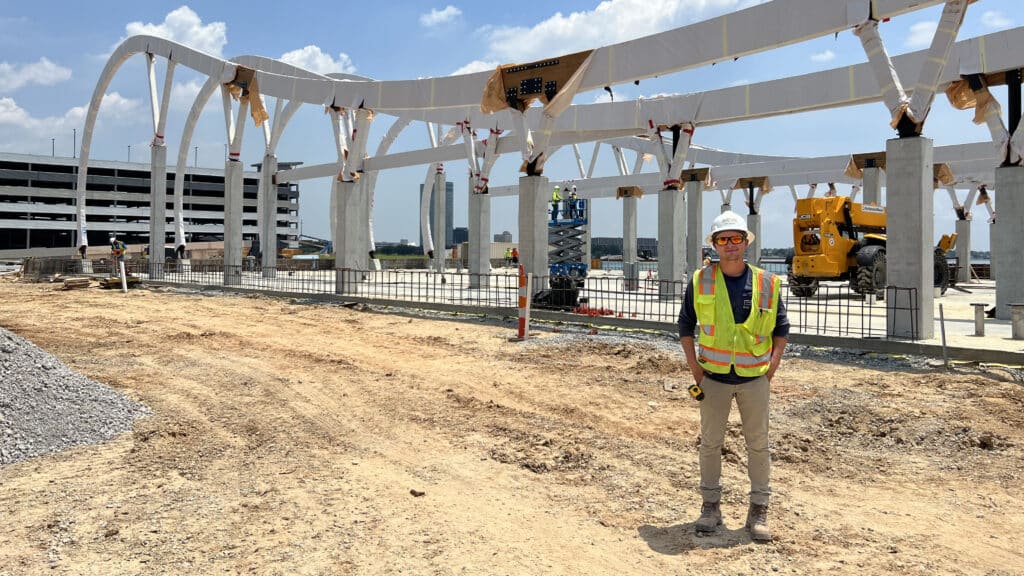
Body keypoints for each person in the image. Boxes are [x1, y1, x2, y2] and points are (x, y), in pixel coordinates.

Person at [677, 210, 789, 542]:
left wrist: (772, 367)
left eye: (736, 238)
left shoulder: (767, 283)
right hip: (713, 377)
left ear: (745, 243)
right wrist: (696, 371)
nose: (730, 245)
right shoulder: (701, 280)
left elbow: (781, 329)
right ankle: (710, 506)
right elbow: (685, 326)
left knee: (759, 445)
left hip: (755, 378)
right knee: (710, 444)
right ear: (714, 245)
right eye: (723, 240)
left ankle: (759, 510)